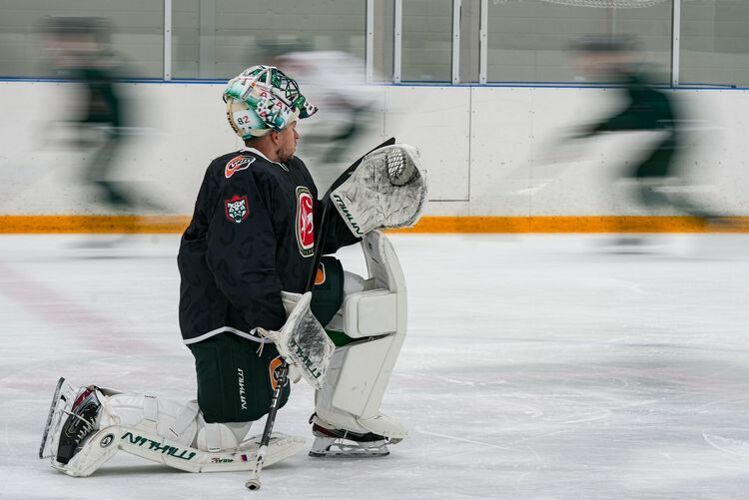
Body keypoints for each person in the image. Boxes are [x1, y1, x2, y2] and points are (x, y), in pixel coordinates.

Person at [39, 65, 427, 477]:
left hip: (276, 309)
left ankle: (342, 422)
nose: (299, 133)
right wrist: (282, 329)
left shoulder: (292, 171)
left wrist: (351, 216)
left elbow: (305, 242)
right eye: (295, 123)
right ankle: (102, 411)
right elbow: (239, 265)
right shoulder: (239, 177)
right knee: (219, 435)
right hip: (231, 324)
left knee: (370, 307)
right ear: (275, 128)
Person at [570, 35, 737, 245]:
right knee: (645, 186)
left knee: (645, 186)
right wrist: (597, 128)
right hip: (672, 137)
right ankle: (703, 218)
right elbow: (636, 113)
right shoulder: (631, 78)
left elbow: (642, 114)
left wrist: (596, 129)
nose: (587, 63)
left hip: (671, 139)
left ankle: (705, 218)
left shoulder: (633, 81)